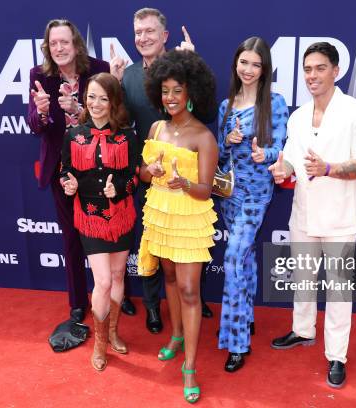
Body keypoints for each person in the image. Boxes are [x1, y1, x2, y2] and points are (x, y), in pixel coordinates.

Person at [268, 42, 356, 388]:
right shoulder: (298, 116)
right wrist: (279, 168)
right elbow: (292, 162)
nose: (312, 76)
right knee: (302, 280)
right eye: (307, 69)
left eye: (319, 68)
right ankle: (302, 331)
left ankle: (336, 356)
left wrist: (328, 168)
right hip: (303, 215)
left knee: (339, 290)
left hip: (340, 219)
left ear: (336, 71)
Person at [27, 19, 136, 341]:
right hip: (65, 170)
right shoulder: (39, 77)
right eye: (53, 44)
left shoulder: (99, 69)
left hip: (104, 168)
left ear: (76, 44)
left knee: (115, 226)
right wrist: (43, 112)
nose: (59, 48)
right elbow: (35, 124)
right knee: (71, 238)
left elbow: (118, 113)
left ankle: (122, 296)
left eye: (64, 42)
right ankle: (77, 302)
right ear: (48, 48)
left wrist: (89, 101)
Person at [119, 7, 215, 335]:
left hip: (184, 175)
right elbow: (120, 122)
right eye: (138, 33)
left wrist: (195, 62)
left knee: (186, 250)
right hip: (150, 171)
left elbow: (205, 112)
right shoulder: (129, 75)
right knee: (155, 252)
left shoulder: (183, 67)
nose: (143, 38)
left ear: (164, 35)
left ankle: (193, 302)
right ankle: (153, 309)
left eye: (149, 31)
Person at [138, 49, 217, 403]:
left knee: (189, 290)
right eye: (165, 91)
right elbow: (142, 174)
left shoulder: (203, 136)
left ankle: (189, 368)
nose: (170, 98)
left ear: (191, 93)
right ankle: (177, 335)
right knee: (168, 279)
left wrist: (184, 184)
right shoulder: (156, 128)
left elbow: (205, 190)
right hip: (161, 213)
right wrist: (149, 173)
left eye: (177, 91)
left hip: (189, 217)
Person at [216, 37, 288, 373]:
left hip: (257, 193)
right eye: (243, 63)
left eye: (255, 64)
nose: (248, 70)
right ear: (236, 65)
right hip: (231, 194)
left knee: (233, 258)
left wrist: (266, 154)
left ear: (264, 69)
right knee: (245, 259)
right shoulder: (226, 105)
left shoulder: (275, 102)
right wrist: (227, 142)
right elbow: (217, 155)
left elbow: (281, 149)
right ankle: (245, 319)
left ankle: (236, 342)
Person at [60, 72, 139, 370]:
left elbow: (133, 176)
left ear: (113, 102)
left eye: (103, 98)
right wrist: (69, 184)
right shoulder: (74, 134)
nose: (95, 103)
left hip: (121, 215)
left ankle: (114, 332)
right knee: (103, 281)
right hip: (90, 217)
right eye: (91, 96)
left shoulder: (127, 136)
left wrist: (117, 189)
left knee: (118, 277)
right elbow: (65, 170)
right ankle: (100, 343)